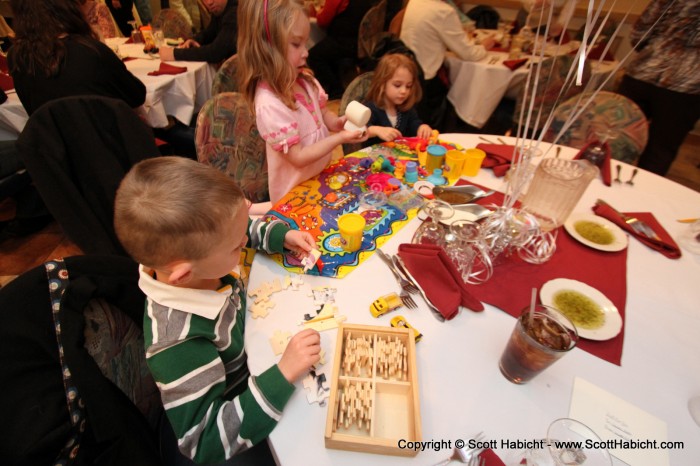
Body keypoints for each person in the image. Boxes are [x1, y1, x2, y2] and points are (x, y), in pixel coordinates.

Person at [114, 156, 321, 465]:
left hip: (253, 353)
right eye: (237, 248)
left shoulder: (200, 260)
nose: (244, 242)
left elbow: (239, 229)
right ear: (184, 274)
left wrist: (281, 237)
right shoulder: (178, 344)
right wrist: (283, 373)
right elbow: (205, 441)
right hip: (237, 415)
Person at [237, 0, 367, 204]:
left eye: (305, 43)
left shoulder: (305, 81)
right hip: (295, 197)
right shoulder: (269, 104)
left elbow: (322, 114)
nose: (306, 51)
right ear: (267, 48)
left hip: (319, 182)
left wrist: (336, 123)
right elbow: (298, 157)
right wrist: (339, 138)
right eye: (297, 44)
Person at [8, 0, 146, 116]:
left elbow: (34, 113)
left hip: (54, 145)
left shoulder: (16, 56)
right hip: (110, 142)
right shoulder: (89, 50)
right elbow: (136, 96)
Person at [617, 0, 700, 176]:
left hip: (644, 72)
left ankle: (595, 188)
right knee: (659, 151)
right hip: (687, 85)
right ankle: (638, 196)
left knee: (615, 138)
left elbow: (642, 30)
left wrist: (655, 53)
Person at [400, 0, 494, 130]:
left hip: (409, 68)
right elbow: (469, 54)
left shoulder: (415, 2)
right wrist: (484, 46)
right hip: (426, 80)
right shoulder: (443, 12)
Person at [306, 0, 375, 99]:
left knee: (313, 56)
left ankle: (335, 91)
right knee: (326, 50)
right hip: (361, 41)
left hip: (345, 41)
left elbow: (322, 21)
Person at [363, 53, 431, 147]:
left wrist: (421, 127)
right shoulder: (370, 108)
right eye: (397, 85)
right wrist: (375, 130)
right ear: (382, 83)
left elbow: (414, 122)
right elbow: (359, 131)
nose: (404, 91)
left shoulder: (406, 108)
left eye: (408, 86)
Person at [159, 0, 237, 63]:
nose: (209, 2)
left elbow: (215, 52)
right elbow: (209, 33)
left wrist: (174, 54)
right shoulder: (221, 10)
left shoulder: (235, 11)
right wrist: (194, 40)